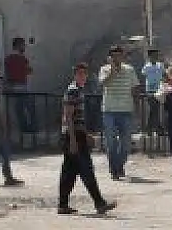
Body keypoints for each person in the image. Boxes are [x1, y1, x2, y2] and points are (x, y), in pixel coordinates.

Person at [57, 63, 116, 216]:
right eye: (80, 73)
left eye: (84, 73)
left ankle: (63, 205)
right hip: (73, 135)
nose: (83, 76)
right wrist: (72, 140)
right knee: (86, 169)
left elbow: (77, 118)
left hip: (77, 134)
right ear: (75, 75)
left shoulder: (79, 91)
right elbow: (68, 117)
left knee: (69, 171)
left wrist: (85, 134)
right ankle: (99, 202)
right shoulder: (73, 91)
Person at [97, 45, 140, 180]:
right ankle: (114, 169)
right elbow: (104, 83)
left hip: (126, 110)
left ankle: (119, 165)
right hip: (109, 110)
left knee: (126, 142)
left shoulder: (130, 70)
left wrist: (136, 107)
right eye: (114, 56)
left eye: (119, 55)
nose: (117, 58)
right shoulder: (104, 69)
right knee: (111, 141)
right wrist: (112, 70)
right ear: (110, 57)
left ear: (122, 56)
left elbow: (134, 88)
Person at [4, 37, 36, 133]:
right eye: (23, 45)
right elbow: (29, 71)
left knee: (19, 110)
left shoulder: (8, 59)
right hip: (21, 86)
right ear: (18, 46)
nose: (24, 47)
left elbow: (7, 74)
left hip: (11, 87)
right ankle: (30, 128)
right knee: (28, 108)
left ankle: (23, 128)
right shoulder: (22, 59)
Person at [141, 49, 167, 135]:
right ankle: (158, 128)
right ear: (150, 57)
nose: (155, 57)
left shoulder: (160, 65)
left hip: (159, 90)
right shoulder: (146, 67)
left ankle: (149, 128)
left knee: (155, 109)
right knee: (154, 108)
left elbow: (164, 75)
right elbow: (143, 76)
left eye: (157, 55)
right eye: (154, 55)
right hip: (150, 90)